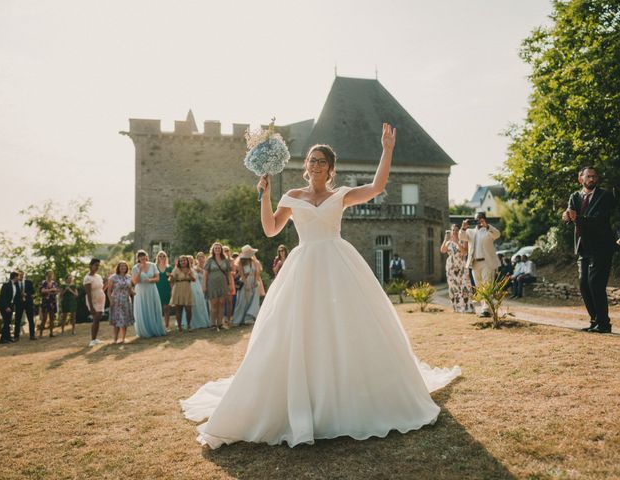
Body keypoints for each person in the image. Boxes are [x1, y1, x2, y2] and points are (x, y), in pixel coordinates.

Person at [181, 123, 461, 449]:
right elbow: (271, 228)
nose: (315, 165)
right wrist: (265, 195)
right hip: (303, 266)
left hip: (338, 262)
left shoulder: (339, 195)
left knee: (347, 326)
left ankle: (347, 392)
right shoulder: (292, 196)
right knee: (296, 328)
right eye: (311, 160)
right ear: (306, 166)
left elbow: (376, 186)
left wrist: (386, 149)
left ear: (330, 169)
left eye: (321, 162)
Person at [562, 166, 616, 333]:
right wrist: (566, 217)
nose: (592, 179)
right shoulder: (575, 196)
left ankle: (604, 324)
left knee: (595, 284)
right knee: (584, 285)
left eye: (594, 176)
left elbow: (599, 220)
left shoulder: (604, 196)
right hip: (583, 247)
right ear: (581, 179)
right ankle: (594, 320)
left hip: (601, 247)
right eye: (588, 176)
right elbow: (570, 216)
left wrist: (577, 218)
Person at [459, 212, 501, 317]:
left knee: (487, 285)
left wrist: (487, 226)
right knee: (479, 287)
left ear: (484, 219)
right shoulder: (470, 232)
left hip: (487, 262)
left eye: (480, 219)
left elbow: (497, 234)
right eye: (476, 219)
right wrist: (463, 228)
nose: (478, 221)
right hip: (475, 263)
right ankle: (485, 308)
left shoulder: (489, 231)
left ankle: (486, 309)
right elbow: (461, 237)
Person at [131, 250, 166, 338]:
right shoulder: (135, 268)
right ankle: (145, 331)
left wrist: (150, 280)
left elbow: (157, 278)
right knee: (143, 308)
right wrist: (140, 271)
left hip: (152, 290)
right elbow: (135, 282)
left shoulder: (153, 265)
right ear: (138, 258)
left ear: (146, 256)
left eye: (144, 256)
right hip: (141, 291)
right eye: (140, 256)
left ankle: (155, 329)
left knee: (153, 308)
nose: (142, 257)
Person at [440, 224, 474, 313]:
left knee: (464, 286)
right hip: (451, 266)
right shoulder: (448, 242)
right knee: (453, 286)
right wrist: (445, 239)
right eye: (453, 230)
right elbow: (443, 250)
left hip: (461, 266)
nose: (454, 232)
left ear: (459, 231)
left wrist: (457, 242)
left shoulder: (463, 240)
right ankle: (456, 307)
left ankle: (467, 307)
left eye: (456, 230)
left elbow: (465, 252)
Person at [202, 242, 231, 331]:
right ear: (213, 250)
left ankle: (220, 323)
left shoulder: (225, 260)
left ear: (221, 249)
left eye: (219, 248)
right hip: (212, 284)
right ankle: (213, 324)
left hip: (223, 284)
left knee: (222, 304)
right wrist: (204, 285)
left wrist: (229, 285)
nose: (217, 249)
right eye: (216, 248)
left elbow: (228, 273)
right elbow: (205, 274)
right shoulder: (209, 260)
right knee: (214, 304)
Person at [232, 245, 262, 326]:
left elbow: (257, 272)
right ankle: (237, 320)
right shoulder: (241, 262)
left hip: (254, 282)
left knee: (253, 300)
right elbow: (241, 274)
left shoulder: (254, 261)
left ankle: (248, 318)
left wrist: (255, 282)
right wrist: (246, 284)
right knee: (243, 300)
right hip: (245, 281)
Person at [107, 261, 135, 344]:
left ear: (127, 268)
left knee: (125, 320)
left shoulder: (129, 277)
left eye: (125, 266)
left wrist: (135, 293)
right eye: (121, 266)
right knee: (117, 320)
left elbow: (130, 289)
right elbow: (109, 291)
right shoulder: (113, 277)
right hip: (116, 300)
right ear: (118, 268)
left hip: (126, 300)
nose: (123, 268)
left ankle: (123, 338)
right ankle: (115, 339)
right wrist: (111, 300)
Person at [84, 258, 106, 346]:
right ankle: (92, 340)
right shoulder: (87, 278)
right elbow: (88, 293)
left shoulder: (98, 276)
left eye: (98, 265)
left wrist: (107, 283)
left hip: (101, 300)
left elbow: (101, 289)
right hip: (93, 300)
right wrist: (91, 306)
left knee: (98, 319)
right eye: (95, 265)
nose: (97, 267)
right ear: (91, 266)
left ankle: (95, 338)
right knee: (95, 319)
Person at [171, 255, 195, 331]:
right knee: (178, 308)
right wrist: (171, 277)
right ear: (179, 262)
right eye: (181, 261)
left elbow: (194, 280)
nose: (183, 262)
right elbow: (171, 280)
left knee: (188, 309)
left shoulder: (190, 269)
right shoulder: (176, 269)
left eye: (184, 260)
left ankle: (189, 325)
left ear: (187, 261)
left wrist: (190, 275)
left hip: (187, 289)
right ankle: (179, 326)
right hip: (178, 288)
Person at [186, 255, 210, 329]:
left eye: (191, 260)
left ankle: (201, 321)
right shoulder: (184, 269)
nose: (190, 261)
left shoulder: (195, 268)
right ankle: (190, 322)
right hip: (189, 288)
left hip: (197, 288)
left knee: (199, 304)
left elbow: (205, 275)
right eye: (188, 260)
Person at [0, 272, 19, 344]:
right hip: (3, 306)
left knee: (8, 322)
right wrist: (6, 307)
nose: (18, 278)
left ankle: (7, 338)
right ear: (15, 277)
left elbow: (14, 297)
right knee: (6, 321)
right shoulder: (6, 285)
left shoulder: (16, 285)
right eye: (17, 277)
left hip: (11, 305)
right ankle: (3, 339)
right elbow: (3, 297)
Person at [14, 270, 36, 341]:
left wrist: (26, 294)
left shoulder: (29, 282)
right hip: (19, 304)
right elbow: (13, 294)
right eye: (19, 275)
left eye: (22, 274)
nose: (21, 276)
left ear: (24, 274)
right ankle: (16, 337)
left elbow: (33, 291)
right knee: (17, 320)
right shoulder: (15, 283)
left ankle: (32, 335)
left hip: (28, 303)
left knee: (31, 319)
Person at [155, 251, 173, 330]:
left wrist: (171, 276)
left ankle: (167, 325)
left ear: (166, 257)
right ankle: (158, 326)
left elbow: (172, 280)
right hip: (157, 288)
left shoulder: (169, 267)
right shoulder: (154, 267)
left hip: (166, 288)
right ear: (157, 258)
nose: (162, 257)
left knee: (166, 308)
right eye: (160, 256)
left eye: (164, 256)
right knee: (157, 308)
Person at [39, 270, 59, 338]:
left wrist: (48, 290)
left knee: (52, 317)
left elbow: (56, 291)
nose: (50, 275)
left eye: (51, 274)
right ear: (46, 275)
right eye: (49, 274)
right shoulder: (43, 282)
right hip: (45, 301)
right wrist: (51, 290)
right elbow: (42, 291)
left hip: (52, 301)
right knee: (44, 318)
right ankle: (41, 333)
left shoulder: (54, 283)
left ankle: (51, 333)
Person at [222, 246, 236, 325]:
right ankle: (222, 318)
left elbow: (234, 271)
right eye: (224, 250)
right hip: (221, 281)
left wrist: (230, 273)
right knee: (221, 300)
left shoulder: (231, 260)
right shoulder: (220, 261)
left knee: (230, 301)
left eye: (227, 250)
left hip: (230, 280)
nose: (226, 252)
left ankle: (229, 318)